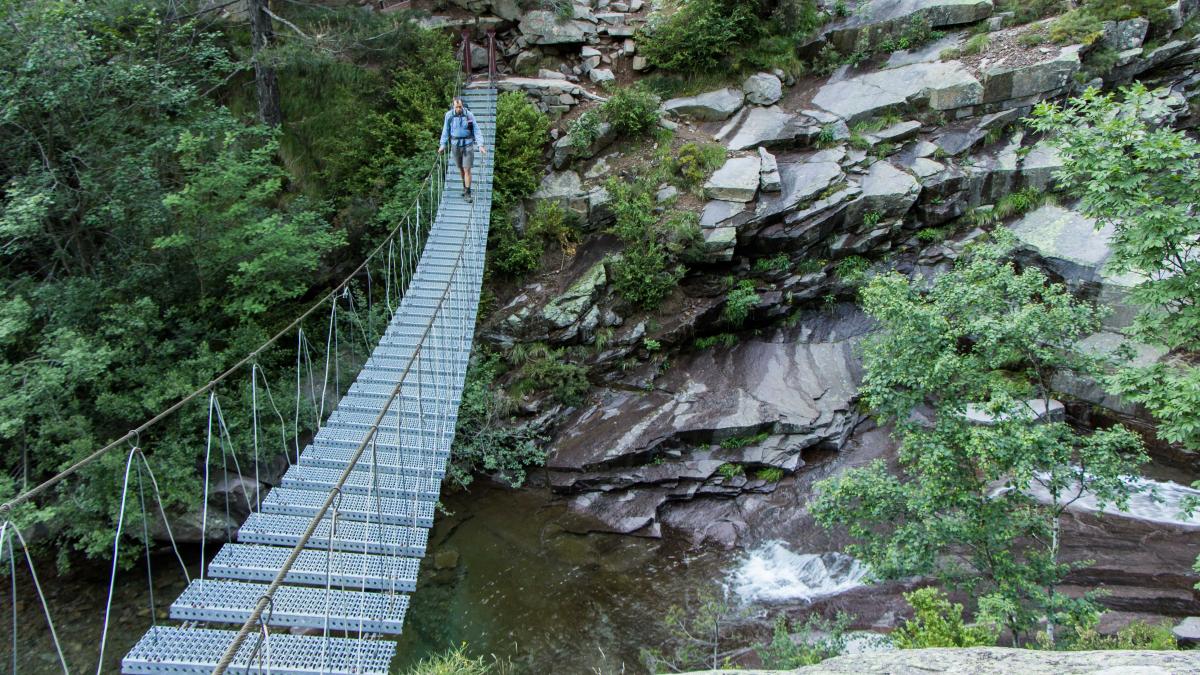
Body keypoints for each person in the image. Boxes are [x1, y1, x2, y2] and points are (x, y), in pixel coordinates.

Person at [438, 97, 487, 201]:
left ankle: (468, 193)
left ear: (462, 105)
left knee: (467, 169)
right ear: (453, 106)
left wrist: (480, 145)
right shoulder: (449, 116)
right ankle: (465, 188)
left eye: (460, 106)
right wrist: (442, 145)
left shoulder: (469, 115)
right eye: (457, 107)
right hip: (455, 145)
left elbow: (476, 130)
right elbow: (445, 130)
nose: (459, 109)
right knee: (461, 169)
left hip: (468, 145)